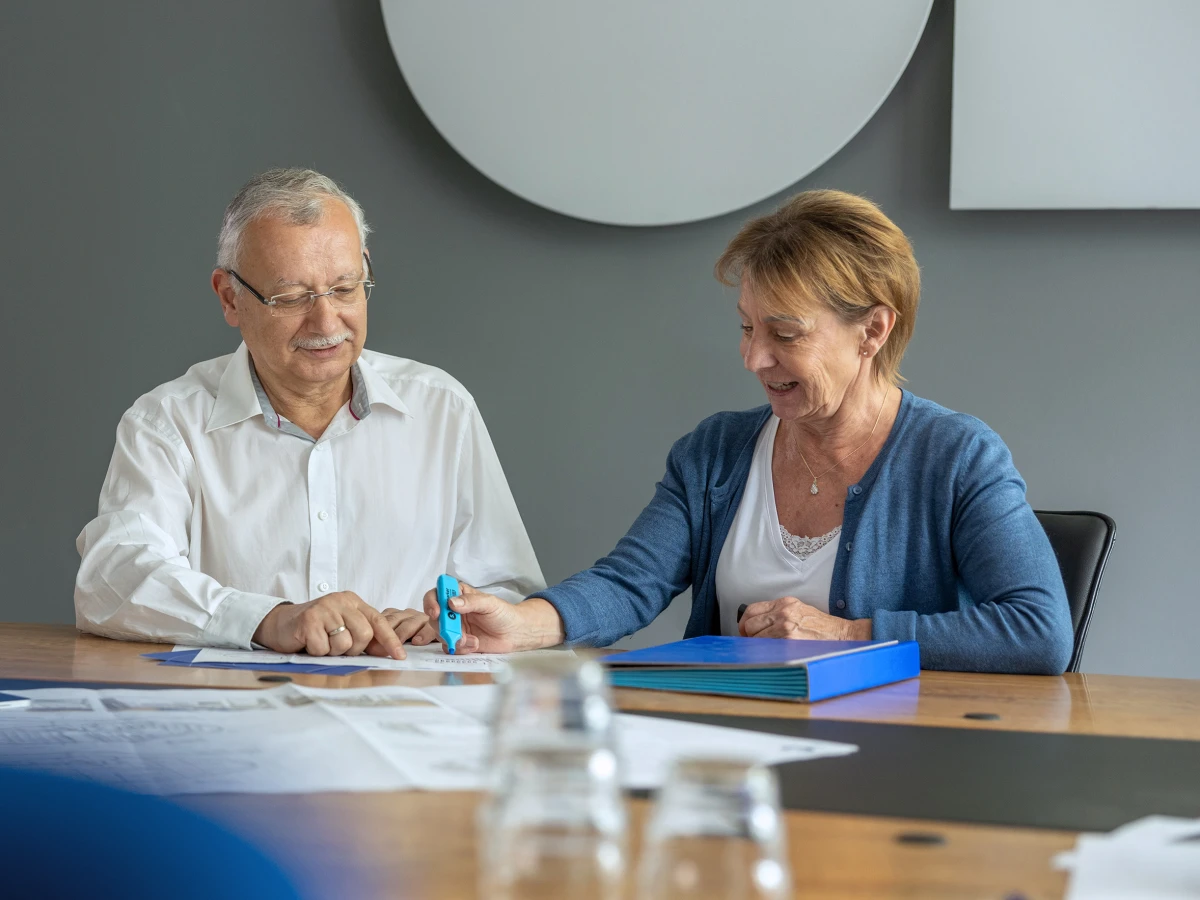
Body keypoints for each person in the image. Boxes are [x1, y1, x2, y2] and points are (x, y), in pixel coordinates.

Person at [423, 190, 1074, 674]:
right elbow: (629, 583)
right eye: (746, 327)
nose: (754, 359)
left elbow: (1039, 630)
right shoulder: (716, 452)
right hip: (725, 751)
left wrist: (848, 635)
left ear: (873, 330)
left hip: (890, 763)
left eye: (784, 334)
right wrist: (522, 626)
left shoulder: (957, 456)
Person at [75, 169, 543, 658]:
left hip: (404, 710)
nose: (326, 322)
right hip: (237, 716)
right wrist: (268, 620)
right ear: (229, 298)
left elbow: (508, 592)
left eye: (344, 288)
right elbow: (114, 581)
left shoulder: (441, 408)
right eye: (291, 298)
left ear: (366, 269)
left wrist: (448, 619)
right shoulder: (168, 422)